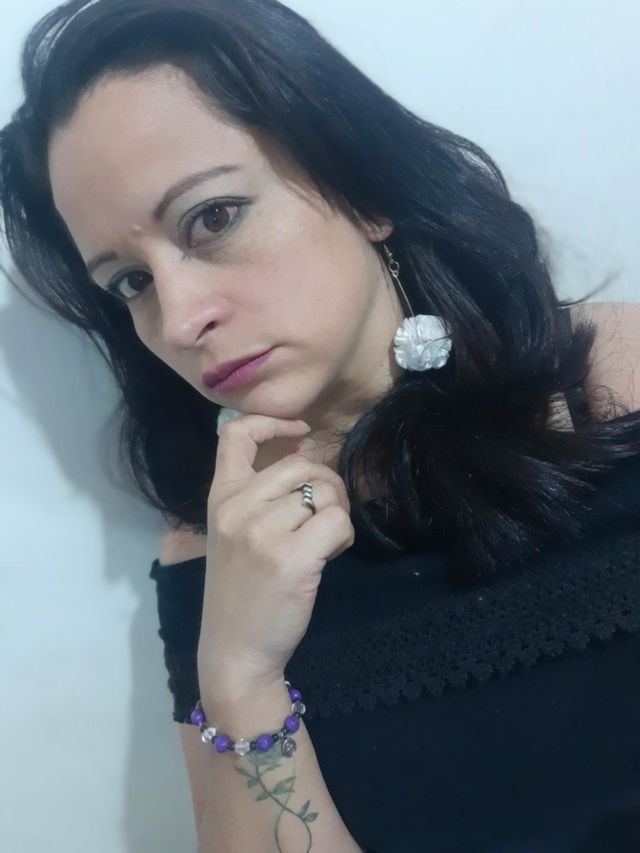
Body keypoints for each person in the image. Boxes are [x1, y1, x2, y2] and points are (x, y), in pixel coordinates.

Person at [1, 0, 639, 850]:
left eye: (213, 217)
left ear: (362, 185)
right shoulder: (216, 542)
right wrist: (239, 675)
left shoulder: (616, 376)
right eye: (130, 282)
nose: (179, 319)